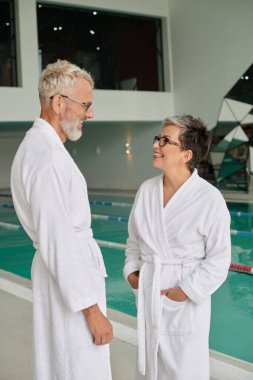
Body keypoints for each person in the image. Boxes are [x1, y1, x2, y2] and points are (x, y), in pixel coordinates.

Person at [11, 60, 113, 380]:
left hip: (66, 278)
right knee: (76, 367)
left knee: (66, 364)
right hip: (70, 284)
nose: (90, 113)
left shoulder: (44, 147)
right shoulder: (45, 156)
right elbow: (58, 239)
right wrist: (92, 310)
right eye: (86, 104)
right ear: (58, 102)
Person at [123, 115, 231, 380]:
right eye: (158, 138)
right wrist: (132, 274)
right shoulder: (146, 190)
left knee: (185, 371)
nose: (156, 145)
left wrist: (185, 291)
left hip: (183, 300)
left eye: (165, 141)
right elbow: (133, 242)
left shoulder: (209, 199)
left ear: (186, 155)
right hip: (149, 292)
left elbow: (218, 260)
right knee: (151, 370)